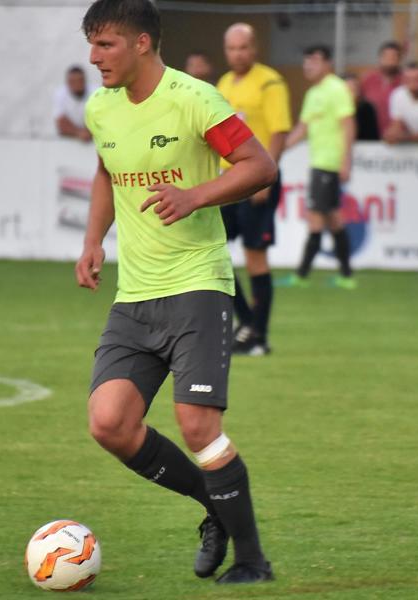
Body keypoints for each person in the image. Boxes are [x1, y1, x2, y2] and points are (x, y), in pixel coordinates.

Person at [77, 0, 277, 585]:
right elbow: (105, 172)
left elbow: (259, 165)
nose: (94, 57)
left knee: (197, 425)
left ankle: (252, 562)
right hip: (134, 295)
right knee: (108, 423)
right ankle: (213, 505)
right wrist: (93, 240)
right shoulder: (101, 108)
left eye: (106, 44)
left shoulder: (195, 98)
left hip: (197, 284)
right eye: (91, 44)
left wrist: (196, 194)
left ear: (142, 43)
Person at [212, 23, 292, 356]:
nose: (237, 54)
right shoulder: (224, 83)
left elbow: (279, 133)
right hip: (228, 181)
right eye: (231, 48)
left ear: (254, 48)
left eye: (243, 47)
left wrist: (265, 176)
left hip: (257, 178)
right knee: (213, 251)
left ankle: (258, 334)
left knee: (255, 258)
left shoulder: (270, 81)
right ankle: (246, 324)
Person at [281, 45, 357, 289]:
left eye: (313, 60)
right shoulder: (313, 93)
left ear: (328, 64)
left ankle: (301, 275)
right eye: (306, 60)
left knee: (316, 218)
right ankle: (346, 275)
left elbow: (348, 125)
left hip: (329, 164)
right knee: (333, 219)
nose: (308, 65)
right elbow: (302, 129)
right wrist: (275, 151)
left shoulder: (337, 89)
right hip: (319, 164)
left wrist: (346, 161)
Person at [359, 41, 403, 136]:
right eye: (387, 57)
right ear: (380, 58)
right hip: (371, 135)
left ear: (399, 60)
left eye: (394, 57)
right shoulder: (368, 79)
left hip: (397, 138)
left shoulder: (405, 81)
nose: (390, 60)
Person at [54, 66, 95, 141]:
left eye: (79, 80)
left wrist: (89, 132)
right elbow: (60, 121)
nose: (77, 84)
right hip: (70, 140)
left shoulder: (95, 92)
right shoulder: (60, 94)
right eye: (73, 81)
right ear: (68, 83)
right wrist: (79, 133)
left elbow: (100, 119)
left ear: (85, 81)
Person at [344, 73, 380, 141]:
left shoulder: (367, 108)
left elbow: (371, 136)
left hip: (364, 147)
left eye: (355, 88)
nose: (353, 93)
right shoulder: (335, 108)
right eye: (349, 89)